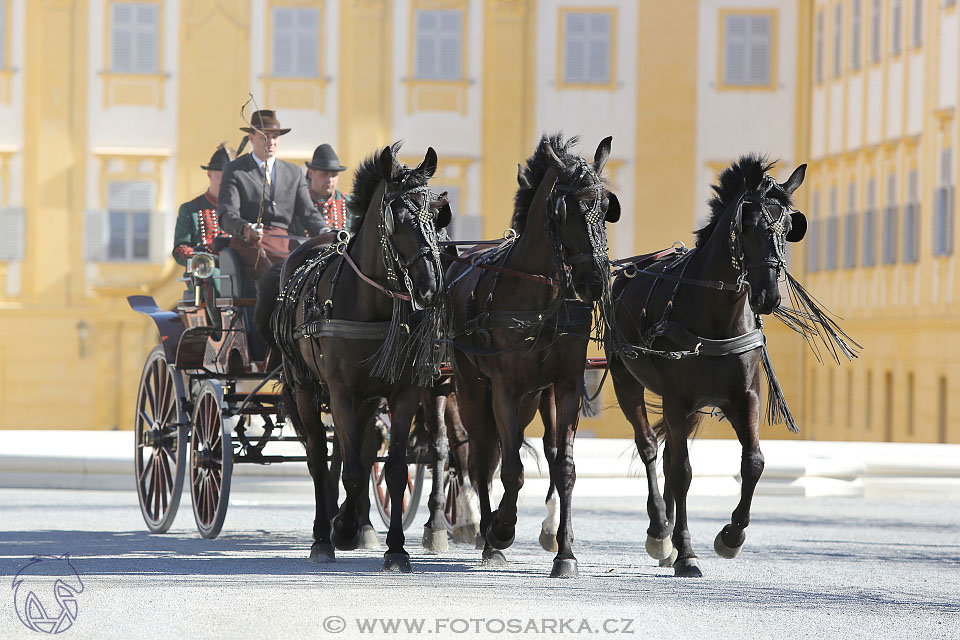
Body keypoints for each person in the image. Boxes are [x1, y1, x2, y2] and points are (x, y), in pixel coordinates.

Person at [217, 109, 330, 280]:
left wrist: (324, 230)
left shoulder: (294, 173)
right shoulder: (235, 170)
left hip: (285, 243)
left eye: (275, 136)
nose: (270, 142)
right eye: (265, 136)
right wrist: (246, 229)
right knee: (274, 266)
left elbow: (308, 213)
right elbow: (226, 214)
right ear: (251, 138)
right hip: (250, 243)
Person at [306, 143, 351, 231]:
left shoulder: (349, 203)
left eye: (334, 175)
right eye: (324, 174)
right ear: (311, 173)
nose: (329, 179)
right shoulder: (301, 202)